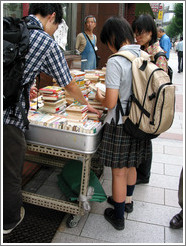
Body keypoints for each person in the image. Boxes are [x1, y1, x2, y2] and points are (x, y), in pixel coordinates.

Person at [3, 3, 100, 235]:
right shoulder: (45, 42)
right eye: (56, 27)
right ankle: (9, 222)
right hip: (8, 119)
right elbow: (68, 83)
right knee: (9, 173)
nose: (55, 31)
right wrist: (86, 104)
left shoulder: (11, 28)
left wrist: (25, 88)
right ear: (52, 17)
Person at [95, 16, 151, 230]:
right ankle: (127, 203)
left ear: (113, 38)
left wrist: (100, 97)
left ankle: (118, 217)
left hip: (120, 124)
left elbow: (110, 102)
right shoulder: (144, 55)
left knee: (118, 171)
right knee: (131, 165)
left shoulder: (116, 61)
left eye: (107, 42)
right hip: (140, 121)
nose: (109, 47)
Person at [132, 14, 168, 184]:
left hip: (150, 103)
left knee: (145, 138)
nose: (138, 37)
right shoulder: (144, 50)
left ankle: (144, 174)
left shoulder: (158, 54)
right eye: (136, 33)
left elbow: (162, 82)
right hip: (142, 101)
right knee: (142, 137)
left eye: (141, 33)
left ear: (151, 32)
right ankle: (141, 172)